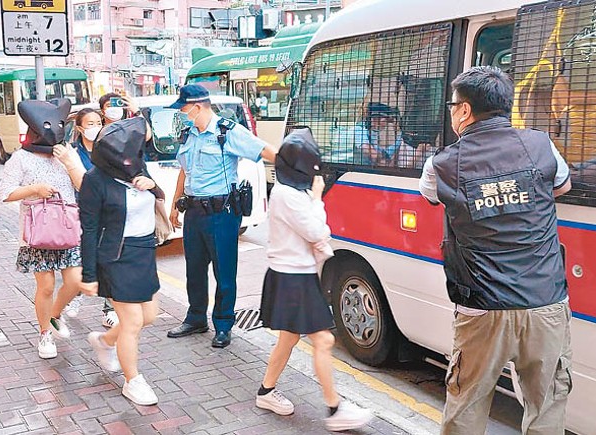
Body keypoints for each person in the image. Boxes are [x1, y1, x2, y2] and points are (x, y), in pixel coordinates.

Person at [418, 66, 573, 435]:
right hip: (545, 302)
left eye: (453, 105)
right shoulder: (541, 145)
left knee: (466, 406)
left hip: (482, 309)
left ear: (466, 111)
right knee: (547, 407)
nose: (451, 112)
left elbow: (429, 198)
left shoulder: (441, 164)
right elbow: (561, 187)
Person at [256, 128, 373, 432]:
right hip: (293, 277)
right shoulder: (290, 196)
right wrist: (319, 198)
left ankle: (266, 392)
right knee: (323, 340)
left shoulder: (286, 190)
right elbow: (318, 232)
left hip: (291, 274)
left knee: (289, 338)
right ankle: (335, 409)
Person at [166, 84, 277, 348]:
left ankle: (224, 324)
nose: (181, 113)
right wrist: (174, 204)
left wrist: (298, 171)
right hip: (194, 211)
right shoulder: (188, 134)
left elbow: (265, 151)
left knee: (224, 272)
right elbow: (184, 171)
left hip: (222, 213)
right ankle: (195, 318)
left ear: (197, 106)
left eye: (183, 108)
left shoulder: (228, 131)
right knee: (194, 269)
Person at [78, 115, 163, 406]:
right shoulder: (94, 180)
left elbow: (157, 195)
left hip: (144, 251)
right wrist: (88, 274)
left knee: (149, 316)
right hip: (116, 255)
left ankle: (103, 341)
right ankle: (133, 381)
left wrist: (151, 185)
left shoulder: (134, 164)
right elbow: (88, 230)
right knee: (133, 321)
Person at [0, 98, 82, 359]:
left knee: (75, 281)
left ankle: (55, 315)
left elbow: (84, 186)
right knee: (45, 286)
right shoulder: (20, 159)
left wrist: (69, 161)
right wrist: (35, 190)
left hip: (68, 229)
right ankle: (45, 332)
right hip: (38, 233)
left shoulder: (66, 153)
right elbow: (5, 193)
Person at [61, 108, 103, 319]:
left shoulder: (107, 149)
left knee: (106, 258)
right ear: (79, 128)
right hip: (81, 212)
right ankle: (74, 297)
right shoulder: (73, 153)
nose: (95, 127)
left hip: (106, 211)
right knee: (82, 258)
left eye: (98, 122)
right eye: (90, 124)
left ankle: (109, 307)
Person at [355, 103, 423, 168]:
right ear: (376, 118)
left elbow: (385, 153)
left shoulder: (373, 132)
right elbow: (372, 153)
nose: (386, 124)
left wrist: (400, 139)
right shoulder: (359, 129)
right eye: (385, 120)